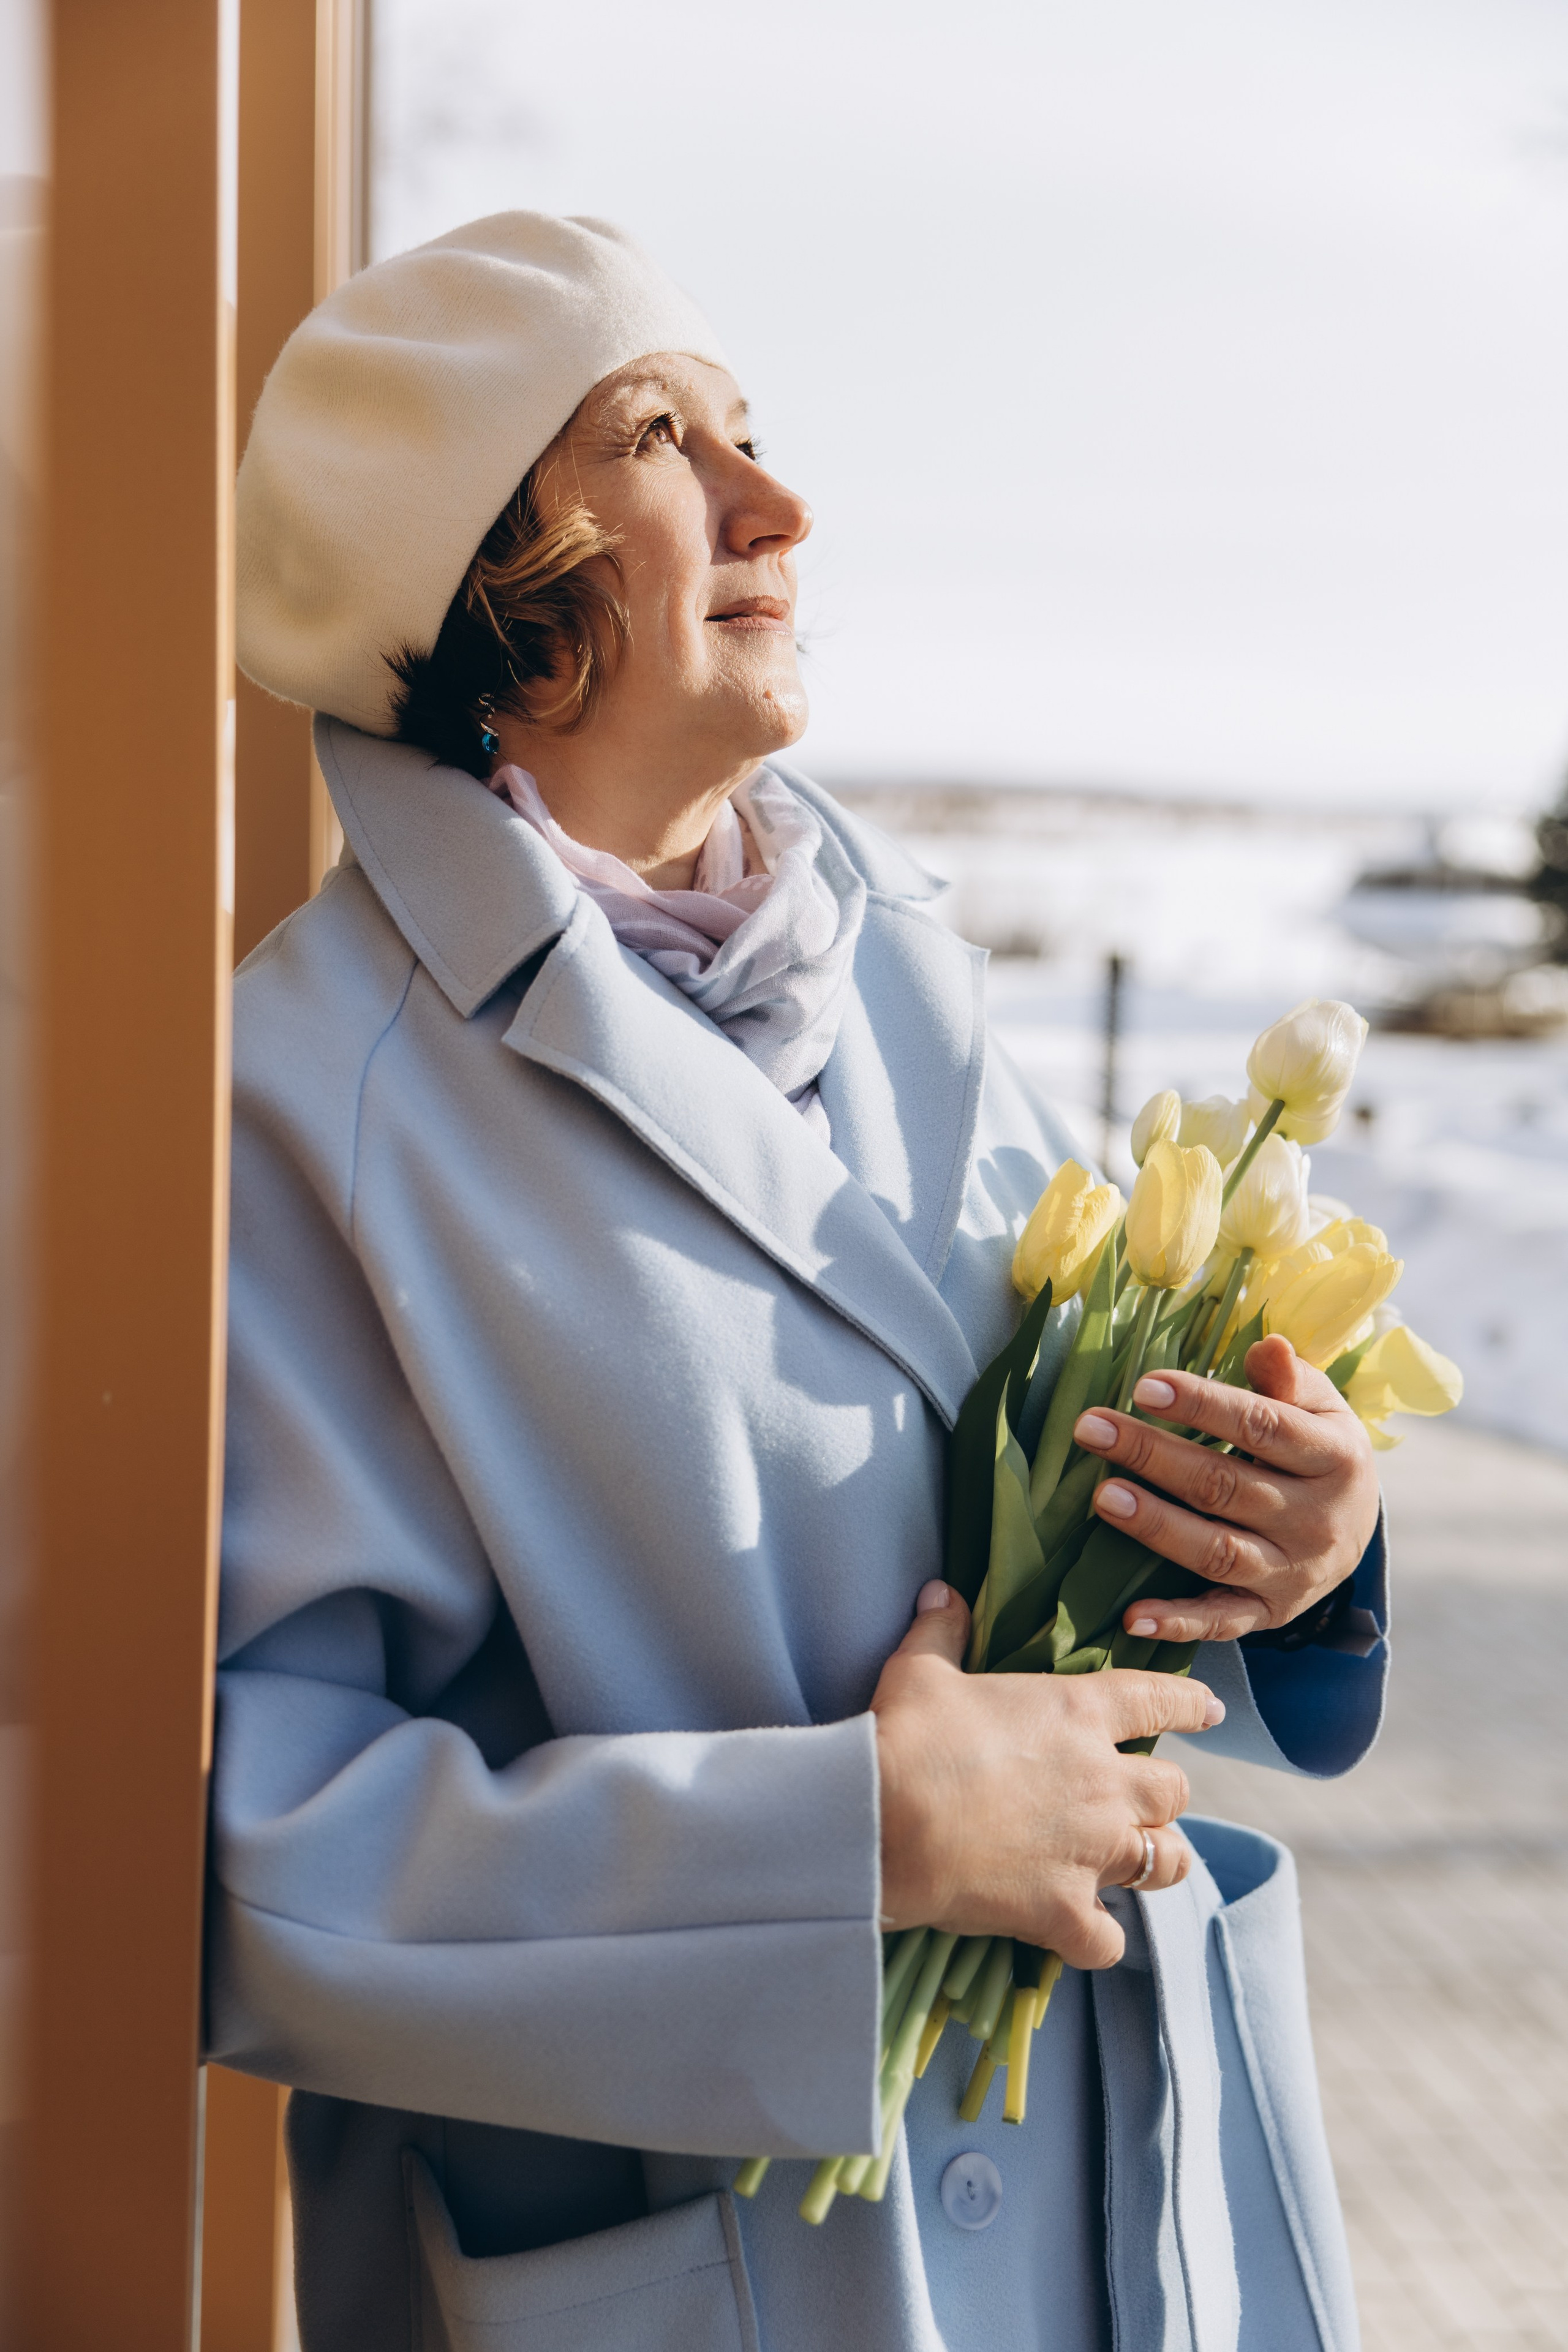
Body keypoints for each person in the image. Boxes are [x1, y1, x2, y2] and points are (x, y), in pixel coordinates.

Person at [212, 211, 1387, 2352]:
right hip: (728, 2272)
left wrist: (1284, 1533)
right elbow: (251, 1857)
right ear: (479, 581)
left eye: (753, 431)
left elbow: (1046, 1479)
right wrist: (851, 1842)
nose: (782, 504)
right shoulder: (310, 1099)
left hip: (1111, 2203)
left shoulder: (891, 954)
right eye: (662, 439)